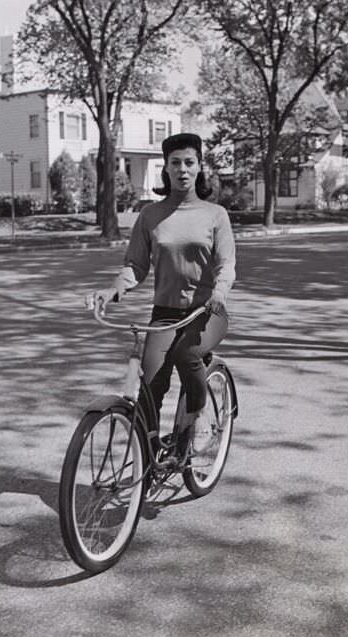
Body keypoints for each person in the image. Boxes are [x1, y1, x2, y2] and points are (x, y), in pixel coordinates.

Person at [102, 132, 235, 458]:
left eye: (189, 162)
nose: (182, 169)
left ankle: (200, 419)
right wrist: (115, 289)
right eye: (175, 163)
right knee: (150, 387)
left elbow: (226, 264)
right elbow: (135, 264)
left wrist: (219, 292)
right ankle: (146, 464)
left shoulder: (215, 214)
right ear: (166, 168)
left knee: (186, 354)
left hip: (207, 312)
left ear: (200, 166)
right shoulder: (150, 215)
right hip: (165, 313)